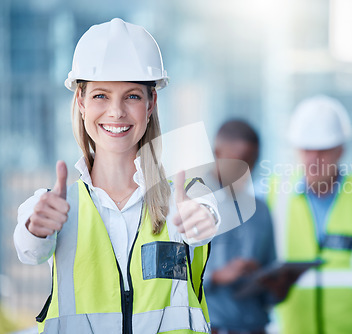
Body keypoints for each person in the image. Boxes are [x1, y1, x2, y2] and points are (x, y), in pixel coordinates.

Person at [13, 18, 220, 334]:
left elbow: (206, 221)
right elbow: (30, 250)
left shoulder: (187, 196)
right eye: (100, 96)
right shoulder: (54, 204)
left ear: (151, 104)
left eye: (132, 96)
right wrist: (36, 228)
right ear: (81, 102)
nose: (116, 112)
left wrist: (201, 220)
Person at [267, 95, 352, 334]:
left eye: (323, 151)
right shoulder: (274, 193)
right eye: (307, 150)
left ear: (341, 150)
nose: (313, 159)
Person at [201, 120, 276, 334]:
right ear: (217, 152)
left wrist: (275, 284)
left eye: (253, 161)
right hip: (211, 328)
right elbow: (169, 278)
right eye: (240, 160)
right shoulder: (187, 203)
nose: (247, 169)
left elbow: (271, 271)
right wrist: (216, 276)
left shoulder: (260, 210)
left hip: (255, 327)